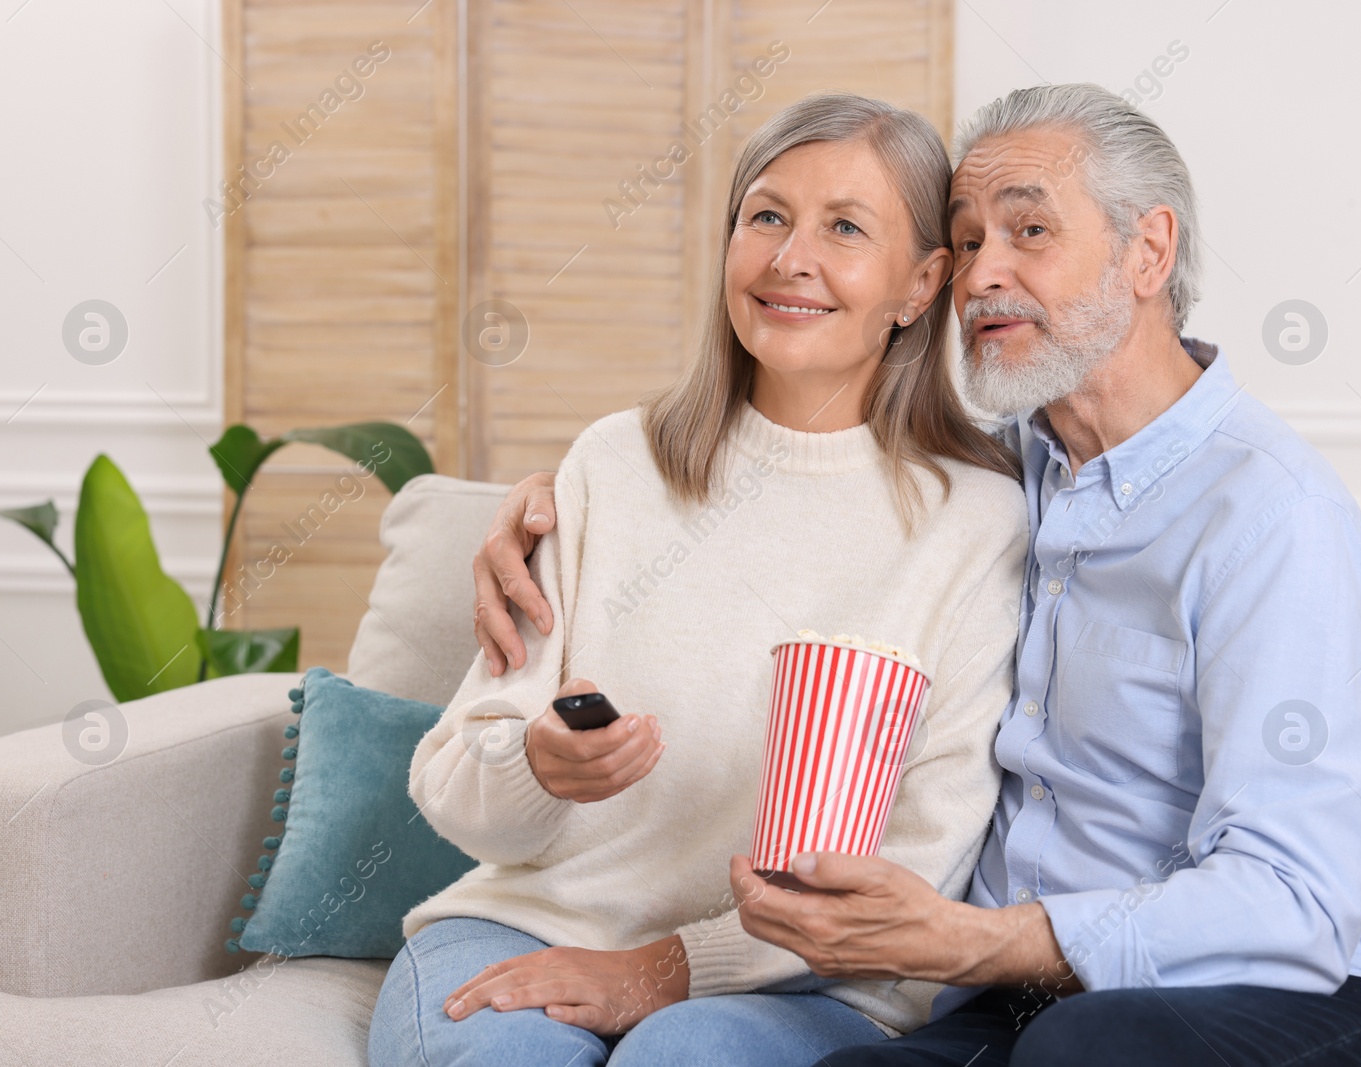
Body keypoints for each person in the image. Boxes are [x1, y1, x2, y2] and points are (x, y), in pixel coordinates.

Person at [470, 84, 1361, 1067]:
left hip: (1333, 993)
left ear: (1148, 250)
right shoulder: (1006, 479)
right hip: (1043, 997)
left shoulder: (1269, 515)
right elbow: (804, 491)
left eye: (1029, 232)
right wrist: (553, 506)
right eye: (964, 239)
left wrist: (968, 941)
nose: (980, 274)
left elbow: (1297, 902)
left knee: (1092, 1045)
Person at [367, 91, 1031, 1067]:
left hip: (810, 981)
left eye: (844, 227)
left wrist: (670, 966)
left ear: (921, 282)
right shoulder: (611, 465)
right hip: (528, 923)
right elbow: (457, 788)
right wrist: (538, 769)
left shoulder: (975, 522)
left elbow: (920, 857)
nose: (788, 258)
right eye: (765, 215)